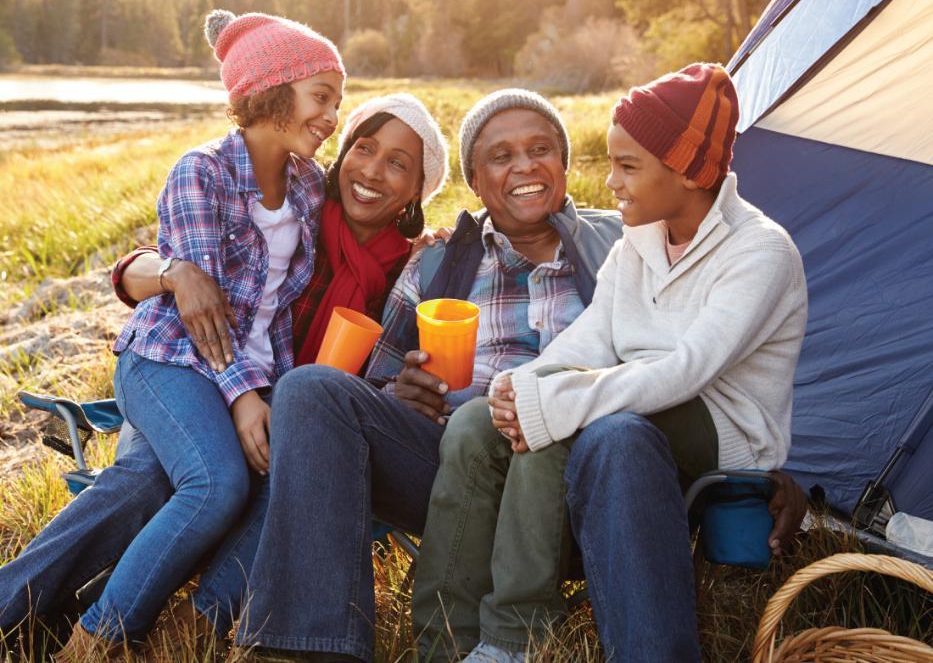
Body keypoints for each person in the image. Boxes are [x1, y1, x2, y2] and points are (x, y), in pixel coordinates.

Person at [229, 88, 807, 662]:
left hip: (583, 475)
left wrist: (765, 467)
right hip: (454, 463)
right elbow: (375, 380)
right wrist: (400, 392)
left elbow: (701, 373)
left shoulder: (620, 232)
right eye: (500, 157)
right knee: (308, 389)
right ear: (475, 182)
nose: (524, 167)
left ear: (562, 165)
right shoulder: (436, 261)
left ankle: (510, 637)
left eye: (540, 150)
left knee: (593, 431)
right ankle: (317, 646)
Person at [0, 88, 448, 659]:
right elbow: (148, 268)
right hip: (193, 377)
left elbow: (382, 397)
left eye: (398, 164)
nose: (373, 171)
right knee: (152, 479)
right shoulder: (302, 206)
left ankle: (182, 636)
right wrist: (173, 274)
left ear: (418, 190)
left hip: (290, 425)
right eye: (364, 148)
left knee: (293, 481)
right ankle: (21, 609)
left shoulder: (412, 272)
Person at [411, 64, 808, 663]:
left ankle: (514, 638)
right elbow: (590, 340)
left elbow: (688, 369)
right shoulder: (640, 241)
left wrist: (559, 401)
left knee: (558, 425)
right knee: (474, 425)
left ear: (686, 170)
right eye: (611, 163)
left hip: (724, 428)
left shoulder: (759, 250)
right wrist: (520, 386)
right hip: (637, 405)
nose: (612, 182)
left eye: (628, 167)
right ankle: (443, 641)